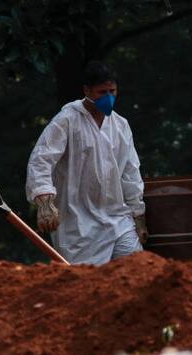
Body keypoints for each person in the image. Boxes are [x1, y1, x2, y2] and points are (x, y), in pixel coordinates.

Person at [25, 61, 146, 265]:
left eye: (112, 91)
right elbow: (41, 159)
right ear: (87, 90)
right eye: (101, 92)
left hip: (117, 218)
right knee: (87, 285)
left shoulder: (121, 125)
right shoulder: (66, 121)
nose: (108, 97)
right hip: (78, 223)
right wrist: (45, 202)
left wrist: (138, 216)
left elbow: (130, 172)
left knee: (137, 268)